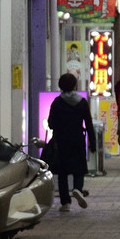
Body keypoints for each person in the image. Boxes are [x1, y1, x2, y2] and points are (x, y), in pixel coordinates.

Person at [45, 73, 97, 210]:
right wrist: (93, 143)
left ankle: (65, 203)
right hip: (78, 139)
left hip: (61, 140)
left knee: (62, 172)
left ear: (60, 86)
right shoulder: (82, 102)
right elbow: (89, 124)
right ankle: (78, 189)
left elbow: (51, 123)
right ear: (75, 85)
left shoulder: (57, 102)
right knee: (78, 168)